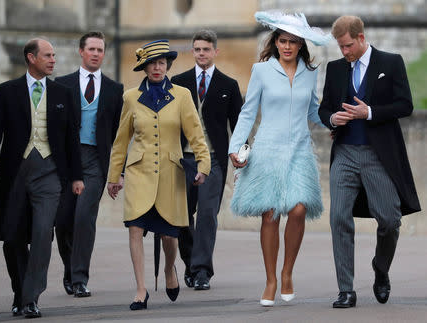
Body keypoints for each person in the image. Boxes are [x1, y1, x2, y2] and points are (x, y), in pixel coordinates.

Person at [228, 11, 331, 306]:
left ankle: (288, 272)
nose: (287, 46)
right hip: (267, 151)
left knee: (298, 210)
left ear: (301, 45)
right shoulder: (261, 71)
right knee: (271, 215)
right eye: (282, 40)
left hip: (299, 149)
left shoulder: (310, 73)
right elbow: (248, 112)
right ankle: (271, 280)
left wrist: (333, 122)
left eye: (293, 42)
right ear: (275, 42)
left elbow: (313, 112)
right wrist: (235, 147)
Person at [318, 15, 421, 308]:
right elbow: (325, 108)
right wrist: (332, 119)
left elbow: (405, 105)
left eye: (348, 45)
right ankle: (346, 290)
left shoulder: (391, 63)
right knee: (338, 217)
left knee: (389, 219)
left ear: (361, 37)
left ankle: (381, 268)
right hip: (346, 153)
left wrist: (370, 112)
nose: (344, 52)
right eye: (340, 47)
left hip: (379, 155)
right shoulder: (336, 68)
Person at [0, 38, 84, 318]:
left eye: (54, 55)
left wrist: (76, 176)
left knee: (41, 234)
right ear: (31, 58)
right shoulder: (7, 91)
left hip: (50, 174)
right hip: (15, 173)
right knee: (13, 238)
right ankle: (20, 292)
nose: (53, 60)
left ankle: (30, 298)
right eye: (47, 55)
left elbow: (72, 138)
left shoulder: (63, 93)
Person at [106, 39, 211, 310]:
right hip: (139, 172)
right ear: (145, 67)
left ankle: (168, 270)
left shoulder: (182, 95)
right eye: (152, 63)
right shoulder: (130, 97)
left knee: (169, 236)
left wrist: (203, 164)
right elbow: (121, 141)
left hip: (171, 172)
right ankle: (140, 290)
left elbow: (196, 134)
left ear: (168, 65)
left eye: (162, 63)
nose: (157, 68)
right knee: (135, 229)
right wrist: (113, 175)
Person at [170, 29, 243, 290]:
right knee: (180, 216)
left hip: (213, 159)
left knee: (207, 215)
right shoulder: (177, 82)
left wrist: (243, 155)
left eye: (206, 49)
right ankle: (190, 262)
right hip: (183, 159)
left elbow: (239, 125)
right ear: (193, 51)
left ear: (215, 51)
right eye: (197, 49)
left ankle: (201, 270)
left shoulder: (228, 85)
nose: (202, 53)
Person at [54, 31, 124, 298]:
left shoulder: (115, 90)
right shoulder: (61, 84)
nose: (96, 53)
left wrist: (118, 172)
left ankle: (80, 277)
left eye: (100, 50)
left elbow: (120, 134)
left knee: (84, 217)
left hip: (96, 160)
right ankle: (70, 271)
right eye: (92, 49)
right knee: (62, 222)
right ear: (81, 52)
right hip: (68, 160)